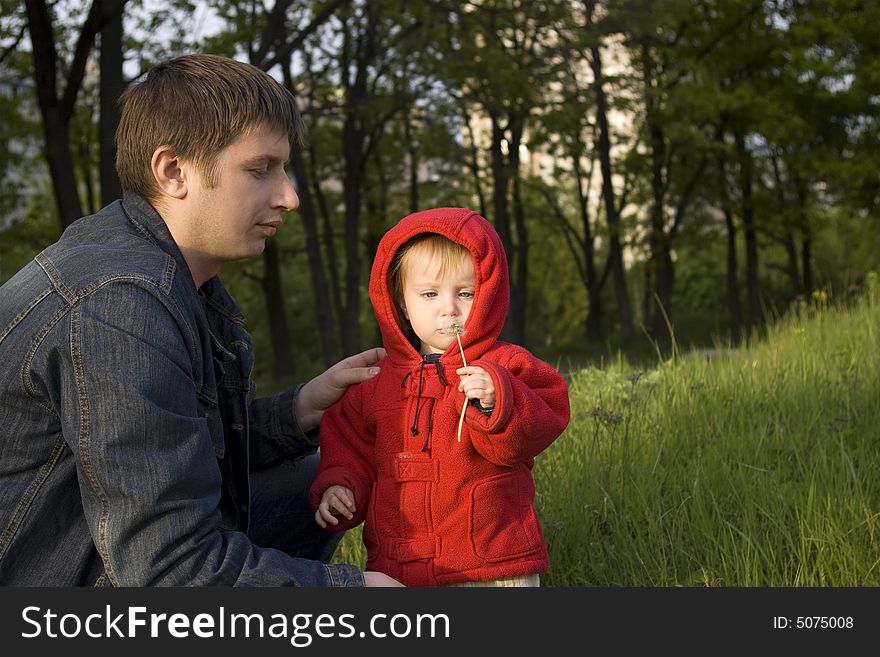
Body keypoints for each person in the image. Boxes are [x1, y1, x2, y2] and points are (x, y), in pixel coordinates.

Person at [0, 53, 401, 586]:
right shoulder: (119, 302)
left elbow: (173, 447)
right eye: (261, 170)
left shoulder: (173, 275)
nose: (290, 196)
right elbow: (167, 570)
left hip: (96, 542)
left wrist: (299, 411)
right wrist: (352, 593)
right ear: (173, 171)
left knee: (308, 483)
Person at [309, 208, 570, 587]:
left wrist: (499, 398)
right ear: (400, 301)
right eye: (429, 293)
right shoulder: (375, 384)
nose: (449, 308)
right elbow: (350, 447)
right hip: (398, 567)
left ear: (488, 295)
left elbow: (546, 416)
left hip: (491, 563)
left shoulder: (505, 365)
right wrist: (341, 486)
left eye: (465, 293)